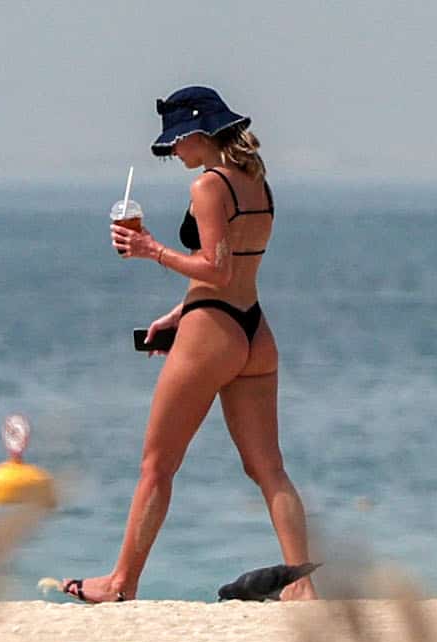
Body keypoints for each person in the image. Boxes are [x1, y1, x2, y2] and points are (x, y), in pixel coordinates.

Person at [62, 86, 316, 603]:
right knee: (269, 468)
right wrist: (179, 315)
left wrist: (150, 249)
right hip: (252, 330)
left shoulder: (209, 187)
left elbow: (215, 269)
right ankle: (303, 584)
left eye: (177, 142)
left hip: (213, 332)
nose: (174, 152)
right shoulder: (257, 182)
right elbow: (237, 271)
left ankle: (120, 583)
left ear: (199, 133)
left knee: (157, 465)